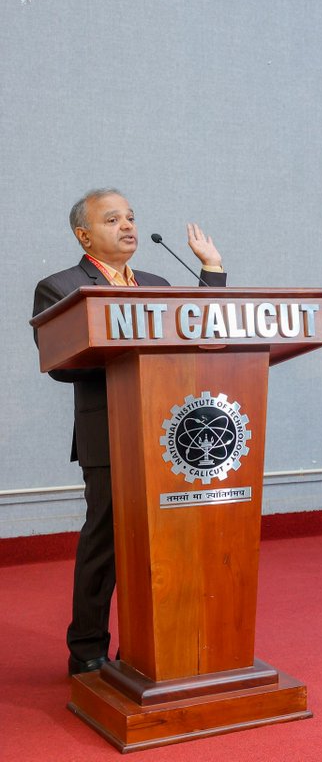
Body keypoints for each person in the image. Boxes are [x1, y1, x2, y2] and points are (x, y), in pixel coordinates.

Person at [32, 188, 226, 676]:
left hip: (168, 434)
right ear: (84, 235)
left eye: (131, 217)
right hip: (109, 434)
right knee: (106, 545)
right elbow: (59, 362)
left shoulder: (157, 283)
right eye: (113, 219)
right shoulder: (60, 286)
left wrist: (212, 271)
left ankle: (145, 645)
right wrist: (128, 347)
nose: (128, 226)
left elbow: (199, 334)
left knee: (163, 544)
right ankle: (87, 649)